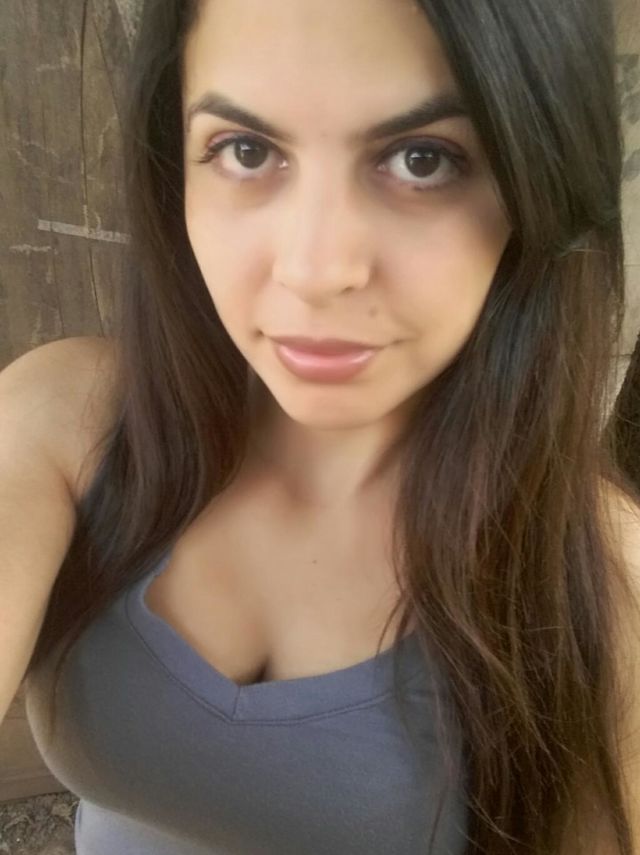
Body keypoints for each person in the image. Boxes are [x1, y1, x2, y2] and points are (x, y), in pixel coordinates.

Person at [1, 0, 639, 852]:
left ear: (539, 184)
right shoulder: (64, 423)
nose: (314, 269)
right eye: (246, 150)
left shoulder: (603, 587)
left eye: (422, 159)